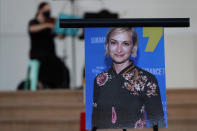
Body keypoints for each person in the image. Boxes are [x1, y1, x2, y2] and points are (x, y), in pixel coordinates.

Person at [92, 27, 165, 129]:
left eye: (125, 43)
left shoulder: (147, 79)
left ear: (133, 47)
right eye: (114, 43)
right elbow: (95, 123)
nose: (119, 49)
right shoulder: (99, 80)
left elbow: (157, 123)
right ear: (107, 45)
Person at [28, 2, 70, 89]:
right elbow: (31, 29)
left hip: (50, 54)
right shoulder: (34, 22)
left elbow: (59, 36)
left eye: (49, 10)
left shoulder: (51, 22)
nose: (48, 12)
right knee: (48, 64)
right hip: (38, 53)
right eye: (46, 10)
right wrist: (47, 25)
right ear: (40, 10)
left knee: (63, 68)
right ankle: (42, 84)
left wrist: (62, 30)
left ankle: (59, 87)